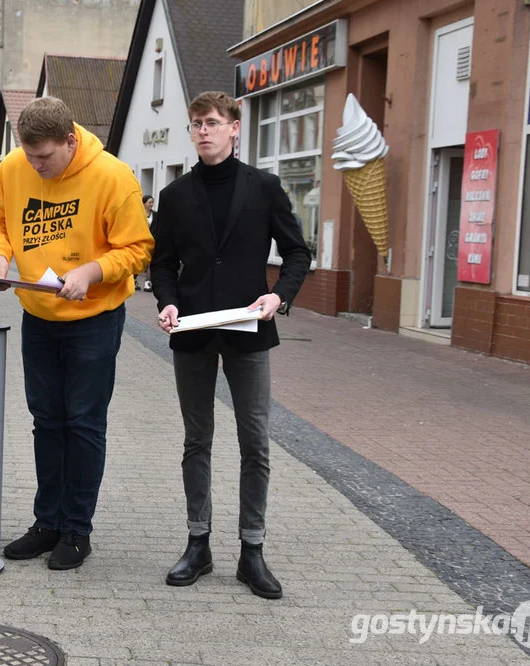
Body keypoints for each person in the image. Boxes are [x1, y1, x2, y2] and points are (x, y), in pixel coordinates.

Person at [0, 97, 154, 570]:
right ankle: (46, 523)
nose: (36, 166)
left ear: (71, 141)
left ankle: (77, 530)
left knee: (82, 422)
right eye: (29, 155)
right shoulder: (16, 166)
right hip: (38, 314)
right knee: (46, 420)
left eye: (46, 157)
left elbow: (138, 250)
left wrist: (94, 271)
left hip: (94, 319)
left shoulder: (113, 177)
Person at [150, 91, 310, 598]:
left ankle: (252, 551)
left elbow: (296, 252)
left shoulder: (263, 188)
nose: (203, 131)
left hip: (248, 329)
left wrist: (278, 296)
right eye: (197, 123)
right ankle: (198, 544)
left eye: (213, 122)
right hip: (193, 330)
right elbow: (161, 263)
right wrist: (168, 302)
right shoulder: (176, 195)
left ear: (235, 128)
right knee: (197, 440)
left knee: (255, 442)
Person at [138, 195, 156, 292]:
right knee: (138, 261)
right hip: (140, 241)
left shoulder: (155, 215)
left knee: (150, 262)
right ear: (144, 203)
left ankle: (147, 283)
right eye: (149, 202)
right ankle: (133, 280)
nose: (151, 204)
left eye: (152, 202)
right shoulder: (138, 214)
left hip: (151, 241)